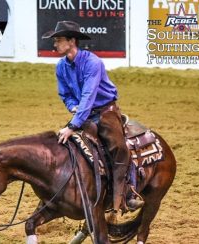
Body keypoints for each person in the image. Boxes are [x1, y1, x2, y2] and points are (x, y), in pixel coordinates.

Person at [42, 21, 144, 216]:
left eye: (58, 40)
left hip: (106, 111)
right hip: (83, 113)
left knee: (119, 148)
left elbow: (89, 96)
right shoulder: (60, 67)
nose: (54, 45)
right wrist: (73, 106)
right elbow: (65, 94)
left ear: (72, 41)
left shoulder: (93, 63)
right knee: (67, 147)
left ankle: (128, 193)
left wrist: (73, 125)